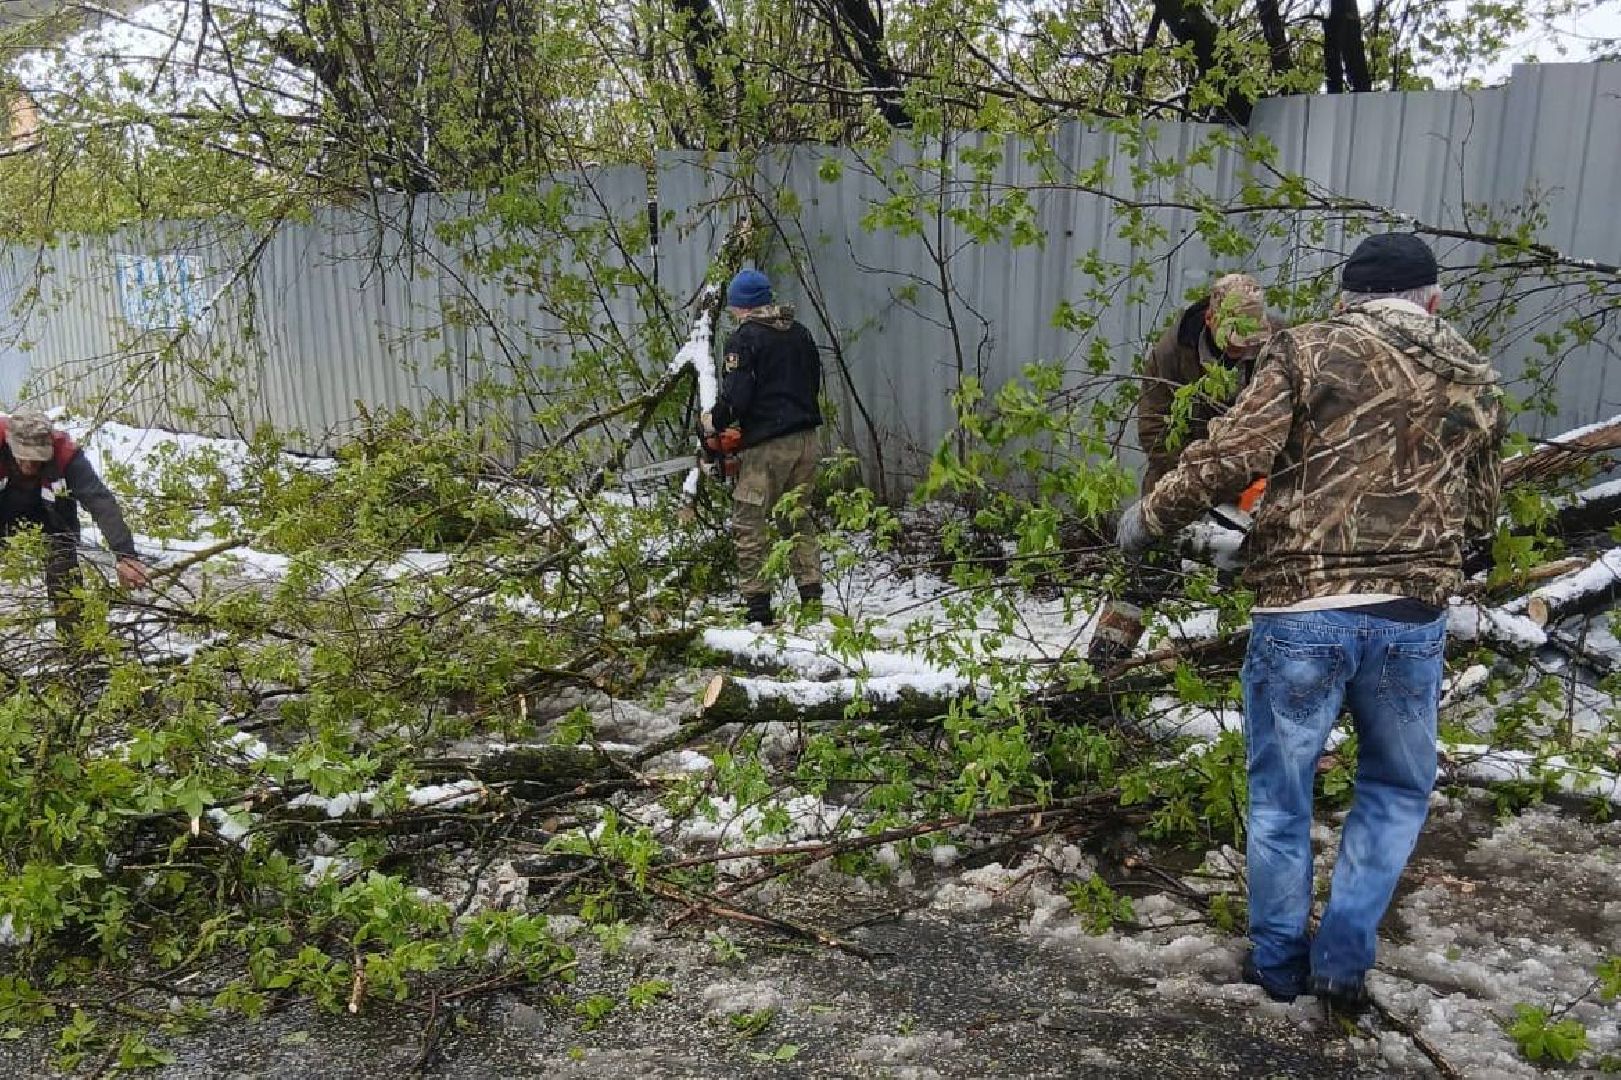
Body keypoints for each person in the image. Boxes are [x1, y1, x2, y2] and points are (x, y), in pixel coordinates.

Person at [1114, 234, 1505, 1012]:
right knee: (1395, 788)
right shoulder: (1474, 374)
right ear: (1431, 298)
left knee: (1280, 794)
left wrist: (1149, 516)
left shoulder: (1306, 349)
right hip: (1409, 615)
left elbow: (1232, 453)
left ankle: (1277, 965)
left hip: (1302, 608)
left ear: (1345, 297)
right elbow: (1481, 510)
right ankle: (1342, 960)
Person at [1088, 273, 1277, 664]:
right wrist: (1200, 483)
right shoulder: (1172, 353)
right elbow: (1154, 431)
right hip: (1180, 479)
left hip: (1258, 488)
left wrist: (1257, 480)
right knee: (1148, 568)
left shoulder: (1281, 343)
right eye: (1236, 339)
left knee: (1256, 576)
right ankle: (1102, 664)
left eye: (1251, 339)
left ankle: (1233, 662)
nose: (1245, 350)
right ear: (1211, 319)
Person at [702, 269, 823, 627]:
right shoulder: (799, 333)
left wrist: (713, 422)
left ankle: (758, 608)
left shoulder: (745, 340)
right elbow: (813, 381)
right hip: (806, 439)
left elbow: (737, 396)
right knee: (798, 518)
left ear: (740, 306)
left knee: (749, 522)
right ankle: (811, 599)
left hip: (768, 445)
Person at [0, 410, 150, 639]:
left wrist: (125, 555)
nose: (30, 465)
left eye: (37, 458)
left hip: (51, 515)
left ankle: (75, 643)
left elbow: (100, 502)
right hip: (5, 505)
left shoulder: (66, 455)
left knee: (63, 572)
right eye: (23, 457)